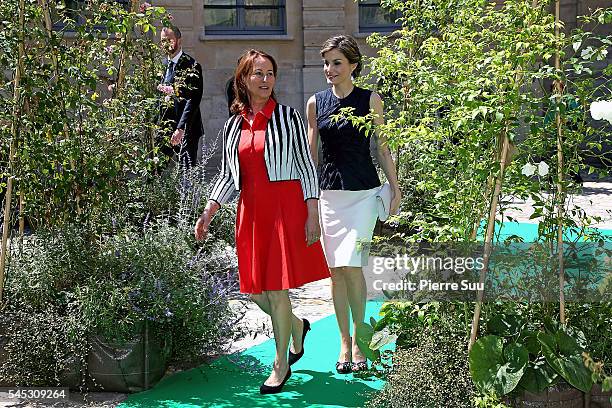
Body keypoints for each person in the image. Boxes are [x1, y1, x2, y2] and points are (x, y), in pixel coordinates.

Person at [194, 50, 330, 394]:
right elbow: (228, 174)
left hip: (285, 207)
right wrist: (208, 211)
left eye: (270, 73)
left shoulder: (288, 117)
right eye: (258, 74)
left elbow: (304, 165)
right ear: (244, 79)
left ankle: (280, 363)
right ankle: (297, 326)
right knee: (254, 289)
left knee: (276, 287)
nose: (266, 80)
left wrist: (312, 212)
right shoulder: (231, 124)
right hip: (251, 211)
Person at [306, 35, 401, 373]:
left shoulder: (370, 100)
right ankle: (343, 341)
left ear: (353, 66)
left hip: (363, 195)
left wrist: (395, 186)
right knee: (335, 270)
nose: (329, 69)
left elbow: (383, 146)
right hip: (330, 196)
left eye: (336, 63)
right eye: (326, 63)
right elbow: (309, 156)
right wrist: (309, 198)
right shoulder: (316, 103)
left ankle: (360, 339)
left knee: (354, 265)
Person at [158, 25, 204, 166]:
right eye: (163, 41)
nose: (166, 44)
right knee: (155, 171)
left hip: (186, 130)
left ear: (179, 40)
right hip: (164, 129)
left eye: (170, 40)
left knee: (186, 176)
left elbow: (193, 100)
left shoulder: (192, 66)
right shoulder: (161, 65)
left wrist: (181, 128)